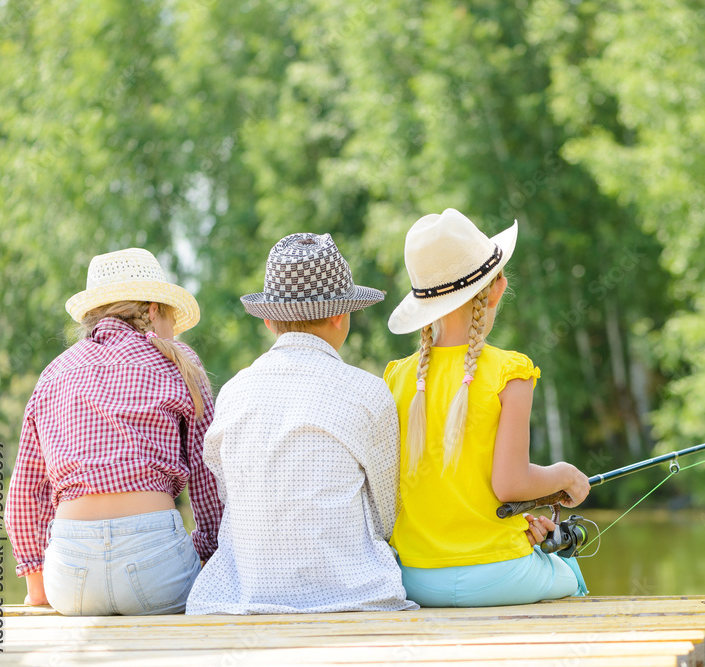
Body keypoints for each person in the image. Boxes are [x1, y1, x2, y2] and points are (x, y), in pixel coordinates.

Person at [185, 233, 416, 614]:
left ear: (268, 322)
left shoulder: (233, 392)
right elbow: (387, 515)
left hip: (246, 593)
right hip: (353, 594)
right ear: (341, 315)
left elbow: (230, 496)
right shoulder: (368, 392)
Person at [383, 208, 591, 607]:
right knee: (571, 572)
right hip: (501, 575)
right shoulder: (510, 372)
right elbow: (510, 485)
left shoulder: (398, 377)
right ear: (497, 288)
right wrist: (563, 474)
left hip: (414, 578)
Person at [5, 248, 223, 615]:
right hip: (156, 564)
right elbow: (209, 478)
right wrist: (207, 554)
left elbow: (25, 492)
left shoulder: (54, 373)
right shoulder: (175, 360)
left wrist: (37, 585)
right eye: (170, 318)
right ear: (153, 311)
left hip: (71, 578)